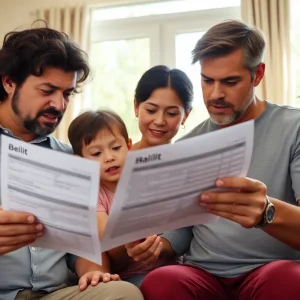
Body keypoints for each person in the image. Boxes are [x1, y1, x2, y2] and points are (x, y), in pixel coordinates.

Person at [131, 20, 300, 300]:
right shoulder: (187, 145)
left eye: (230, 82)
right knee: (162, 280)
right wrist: (157, 247)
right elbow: (182, 232)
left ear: (257, 74)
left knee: (289, 280)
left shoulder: (293, 128)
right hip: (204, 274)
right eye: (207, 80)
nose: (215, 94)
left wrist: (267, 212)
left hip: (271, 271)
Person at [0, 25, 143, 300]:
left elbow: (83, 245)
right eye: (47, 90)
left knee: (123, 293)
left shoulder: (72, 160)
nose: (59, 104)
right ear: (8, 82)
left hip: (58, 294)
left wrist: (93, 271)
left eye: (67, 94)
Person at [68, 110, 178, 288]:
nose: (109, 157)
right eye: (96, 153)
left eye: (116, 148)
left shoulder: (147, 176)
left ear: (128, 146)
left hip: (171, 265)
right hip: (131, 276)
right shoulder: (92, 194)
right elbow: (108, 236)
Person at [132, 65, 193, 150]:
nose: (159, 121)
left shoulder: (191, 162)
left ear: (186, 116)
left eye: (171, 113)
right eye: (151, 110)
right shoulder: (114, 161)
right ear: (136, 107)